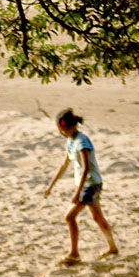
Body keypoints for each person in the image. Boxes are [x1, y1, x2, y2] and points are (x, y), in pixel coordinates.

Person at [44, 108, 119, 265]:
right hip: (89, 184)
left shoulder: (81, 142)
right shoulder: (71, 141)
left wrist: (78, 193)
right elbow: (64, 165)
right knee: (97, 217)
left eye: (61, 130)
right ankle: (112, 248)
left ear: (69, 127)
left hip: (90, 184)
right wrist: (51, 185)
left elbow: (86, 168)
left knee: (69, 217)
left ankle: (74, 254)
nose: (61, 133)